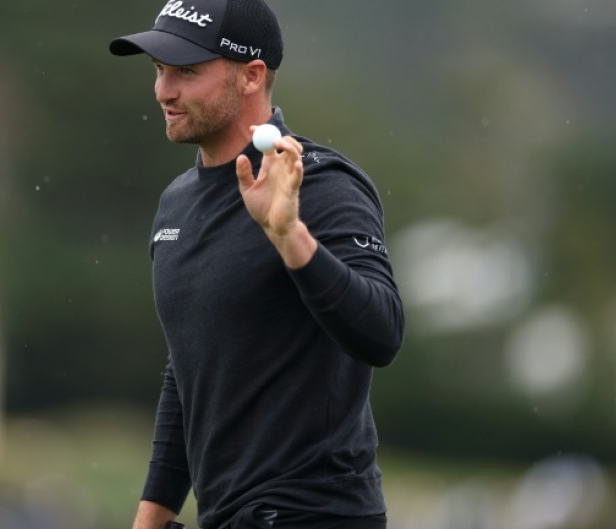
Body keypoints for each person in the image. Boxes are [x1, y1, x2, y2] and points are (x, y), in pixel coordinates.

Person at [109, 1, 405, 528]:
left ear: (251, 77)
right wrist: (150, 519)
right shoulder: (176, 203)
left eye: (186, 72)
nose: (163, 92)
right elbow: (188, 370)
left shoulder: (322, 185)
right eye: (159, 71)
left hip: (317, 515)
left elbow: (381, 334)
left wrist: (290, 236)